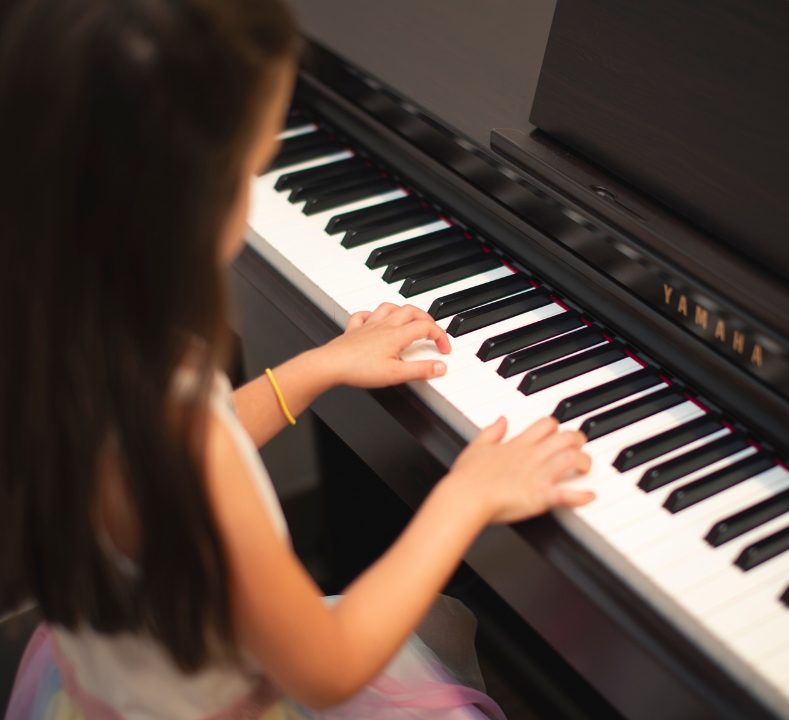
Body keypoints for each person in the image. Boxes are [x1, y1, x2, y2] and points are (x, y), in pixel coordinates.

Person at [0, 0, 594, 718]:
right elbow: (329, 666)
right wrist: (466, 497)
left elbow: (174, 466)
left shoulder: (65, 341)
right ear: (182, 201)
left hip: (110, 683)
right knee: (433, 638)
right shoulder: (178, 432)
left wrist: (317, 367)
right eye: (248, 170)